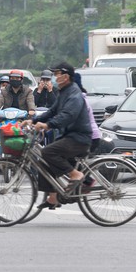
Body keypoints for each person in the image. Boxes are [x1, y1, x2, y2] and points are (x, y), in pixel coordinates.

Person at [30, 62, 92, 210]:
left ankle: (75, 174)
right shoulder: (64, 91)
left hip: (79, 138)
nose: (55, 77)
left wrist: (48, 125)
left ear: (66, 76)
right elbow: (52, 111)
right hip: (69, 136)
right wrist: (33, 121)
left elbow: (67, 115)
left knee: (48, 152)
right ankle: (53, 197)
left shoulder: (74, 94)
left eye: (57, 74)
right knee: (44, 160)